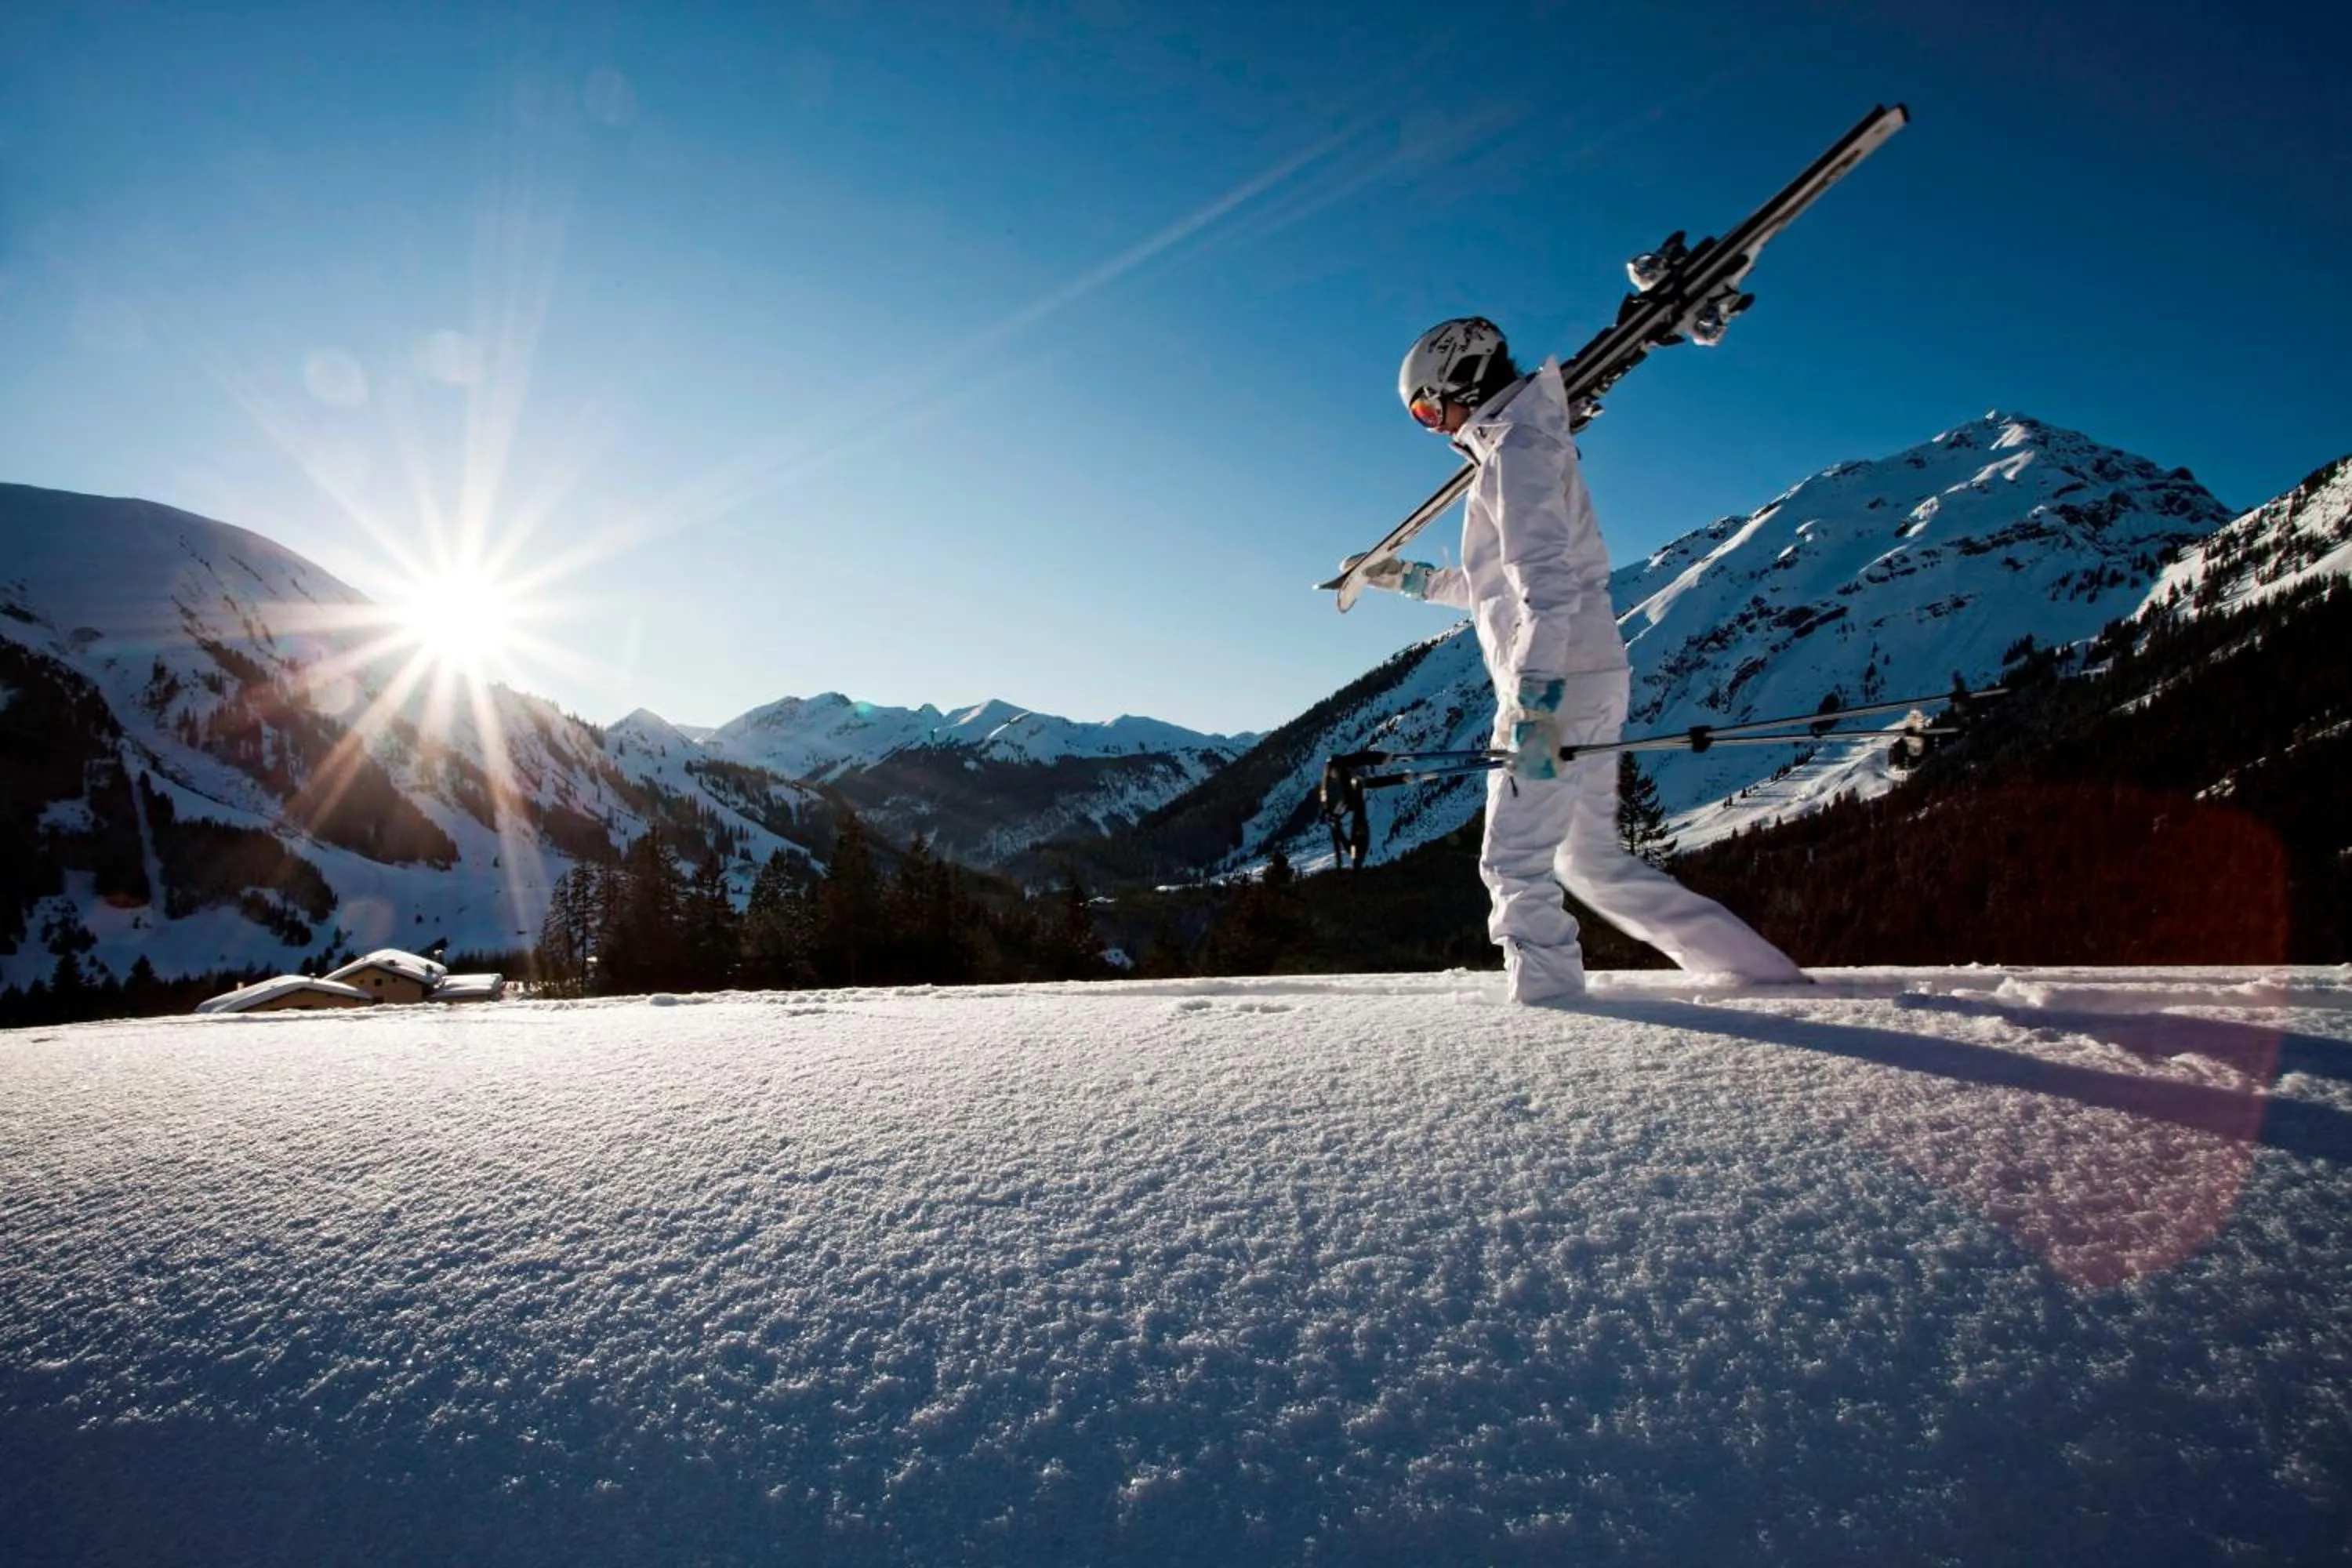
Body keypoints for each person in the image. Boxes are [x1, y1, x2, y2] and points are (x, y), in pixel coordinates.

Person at [1356, 316, 1805, 1004]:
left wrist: (1537, 702)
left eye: (1426, 407)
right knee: (1589, 860)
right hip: (1584, 674)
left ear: (1462, 382)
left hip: (1555, 683)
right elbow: (1502, 586)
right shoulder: (1524, 445)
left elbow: (1546, 587)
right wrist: (1413, 580)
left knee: (1512, 860)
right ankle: (1760, 975)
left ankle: (1548, 1003)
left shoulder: (1517, 454)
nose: (1430, 425)